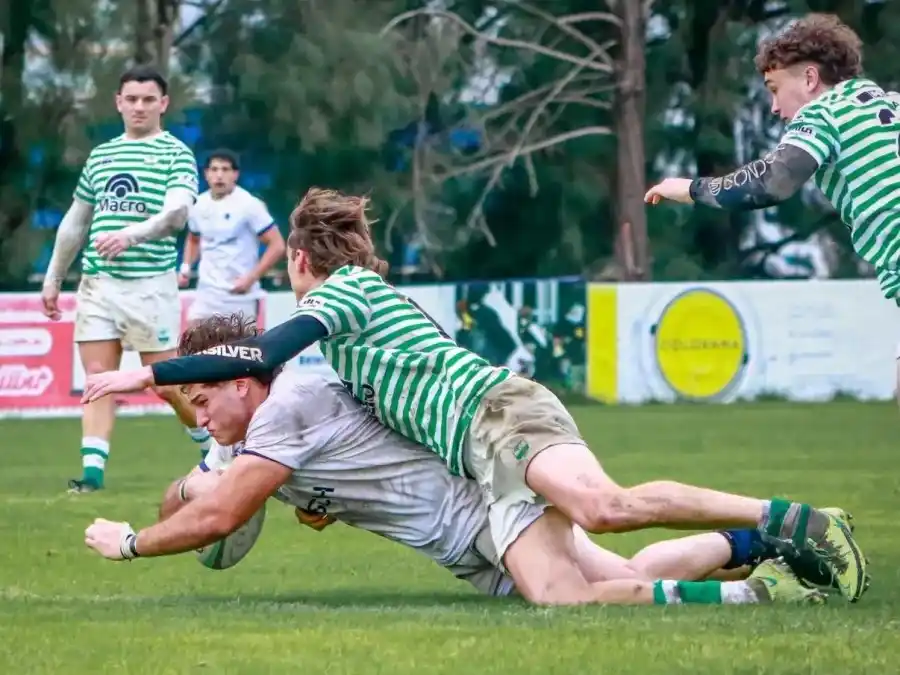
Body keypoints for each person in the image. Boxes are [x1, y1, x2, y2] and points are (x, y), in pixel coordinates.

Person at [80, 188, 869, 602]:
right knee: (604, 574)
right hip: (478, 455)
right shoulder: (341, 350)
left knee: (606, 508)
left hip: (497, 417)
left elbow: (264, 354)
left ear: (300, 263)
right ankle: (759, 553)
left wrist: (147, 375)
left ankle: (792, 519)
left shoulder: (344, 294)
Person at [84, 314, 835, 607]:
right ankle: (756, 543)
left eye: (206, 397)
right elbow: (200, 508)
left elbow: (216, 519)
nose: (200, 413)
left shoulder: (289, 406)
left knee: (577, 599)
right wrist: (189, 480)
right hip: (465, 535)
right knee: (631, 577)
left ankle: (764, 590)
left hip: (479, 507)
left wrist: (126, 544)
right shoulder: (252, 434)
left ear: (244, 381)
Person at [642, 14, 900, 406]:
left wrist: (691, 189)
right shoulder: (889, 103)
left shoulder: (823, 113)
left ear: (810, 80)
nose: (775, 108)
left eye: (775, 89)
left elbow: (771, 183)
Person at [40, 64, 211, 493]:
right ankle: (92, 476)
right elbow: (76, 221)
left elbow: (176, 213)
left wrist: (131, 235)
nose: (139, 106)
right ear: (118, 103)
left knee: (167, 385)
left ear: (163, 104)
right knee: (98, 378)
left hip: (150, 285)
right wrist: (53, 277)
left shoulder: (175, 153)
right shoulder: (102, 155)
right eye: (131, 99)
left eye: (148, 99)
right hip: (97, 285)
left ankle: (214, 447)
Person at [179, 149, 285, 323]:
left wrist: (251, 278)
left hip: (239, 297)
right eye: (214, 169)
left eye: (225, 169)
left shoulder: (249, 204)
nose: (219, 175)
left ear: (235, 174)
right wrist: (186, 267)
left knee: (237, 350)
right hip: (206, 296)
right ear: (206, 174)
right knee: (196, 347)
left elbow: (277, 245)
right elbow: (193, 238)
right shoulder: (198, 204)